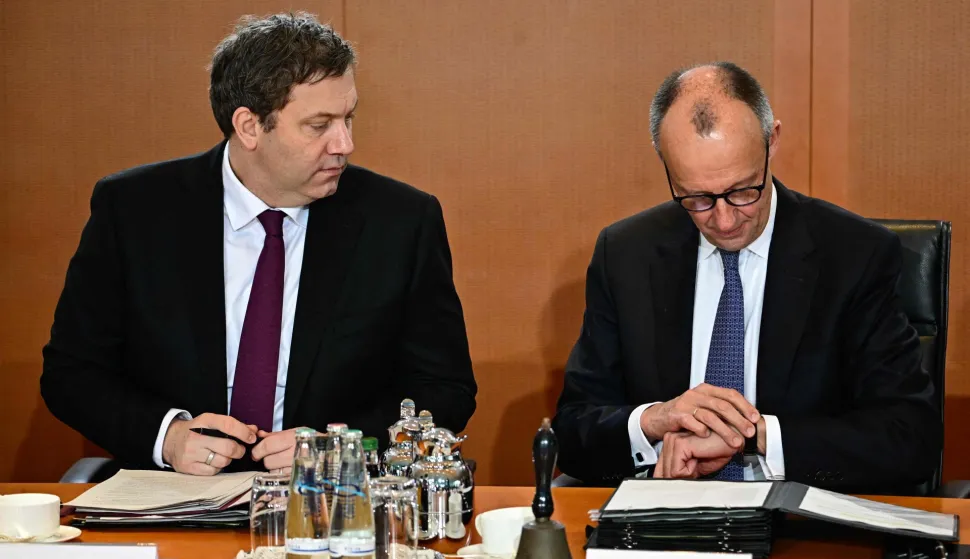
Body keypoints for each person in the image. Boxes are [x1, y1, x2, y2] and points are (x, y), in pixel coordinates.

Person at [41, 12, 477, 476]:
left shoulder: (401, 221)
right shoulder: (134, 210)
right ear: (249, 127)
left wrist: (341, 447)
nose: (344, 143)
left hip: (330, 500)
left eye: (348, 118)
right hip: (172, 493)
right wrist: (166, 436)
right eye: (319, 125)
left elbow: (444, 388)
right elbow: (72, 374)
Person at [552, 62, 940, 492]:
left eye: (743, 191)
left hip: (801, 523)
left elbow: (910, 437)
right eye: (696, 198)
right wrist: (654, 422)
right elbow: (571, 432)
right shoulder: (626, 254)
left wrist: (754, 436)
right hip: (666, 521)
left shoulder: (854, 255)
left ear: (772, 140)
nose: (723, 220)